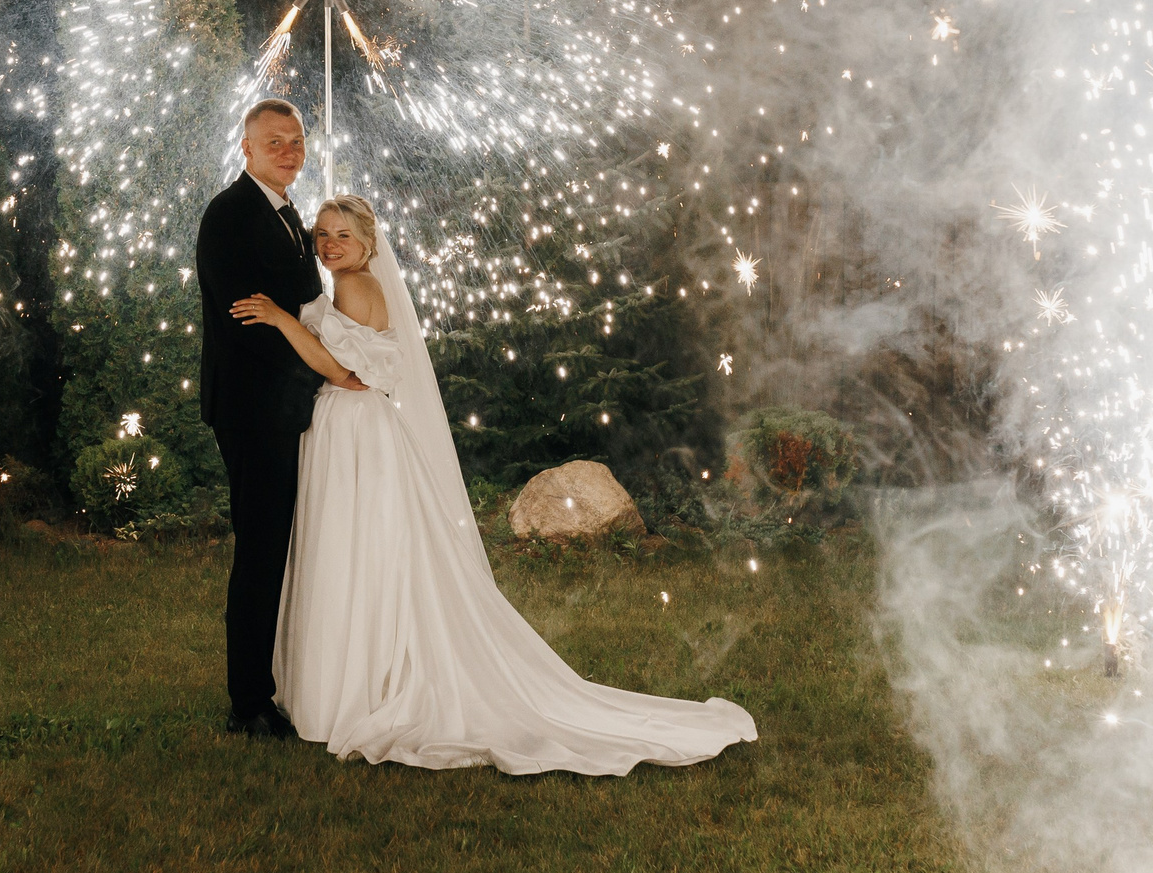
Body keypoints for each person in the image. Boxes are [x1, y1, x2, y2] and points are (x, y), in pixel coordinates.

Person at [229, 193, 757, 775]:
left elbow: (345, 371)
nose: (330, 245)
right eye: (322, 234)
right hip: (352, 431)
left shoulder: (356, 288)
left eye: (343, 237)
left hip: (354, 430)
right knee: (362, 551)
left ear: (367, 245)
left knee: (354, 550)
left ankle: (350, 689)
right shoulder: (350, 286)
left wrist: (280, 318)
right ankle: (351, 679)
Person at [193, 99, 329, 739]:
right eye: (274, 141)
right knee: (261, 550)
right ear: (246, 148)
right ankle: (247, 703)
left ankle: (274, 681)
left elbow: (299, 304)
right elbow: (245, 323)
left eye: (296, 141)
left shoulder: (289, 215)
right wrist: (323, 372)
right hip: (252, 410)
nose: (288, 151)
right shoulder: (229, 215)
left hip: (284, 406)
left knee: (280, 546)